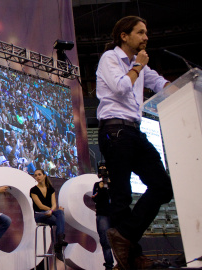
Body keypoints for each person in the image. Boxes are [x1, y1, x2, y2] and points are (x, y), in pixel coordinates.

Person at [96, 16, 173, 270]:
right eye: (140, 33)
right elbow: (120, 88)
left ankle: (125, 237)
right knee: (121, 197)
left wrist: (180, 87)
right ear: (124, 36)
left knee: (162, 187)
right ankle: (133, 257)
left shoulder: (141, 65)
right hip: (115, 130)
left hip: (135, 131)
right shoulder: (110, 59)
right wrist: (137, 67)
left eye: (146, 33)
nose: (146, 37)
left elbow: (159, 83)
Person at [29, 169, 68, 260]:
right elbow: (40, 206)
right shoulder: (33, 190)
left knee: (60, 212)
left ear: (44, 175)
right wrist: (50, 210)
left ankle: (59, 242)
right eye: (36, 175)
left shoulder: (50, 189)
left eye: (39, 174)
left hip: (50, 213)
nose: (37, 177)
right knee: (59, 217)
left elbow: (54, 204)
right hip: (39, 214)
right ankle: (59, 246)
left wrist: (51, 211)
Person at [92, 161, 114, 270]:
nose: (103, 171)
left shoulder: (115, 183)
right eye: (101, 169)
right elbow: (94, 198)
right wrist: (101, 188)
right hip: (102, 214)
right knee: (105, 241)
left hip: (115, 213)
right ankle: (109, 265)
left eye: (104, 168)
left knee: (120, 239)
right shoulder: (97, 185)